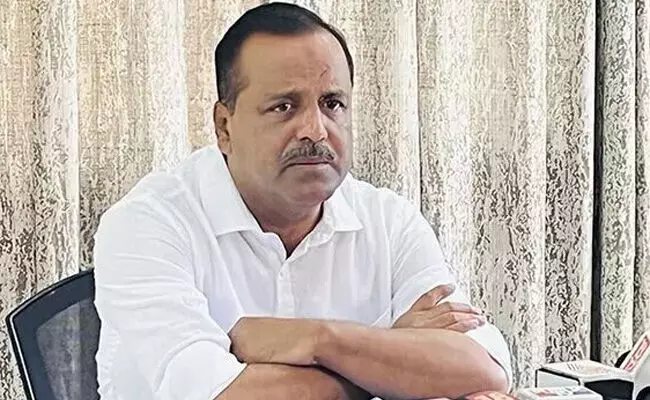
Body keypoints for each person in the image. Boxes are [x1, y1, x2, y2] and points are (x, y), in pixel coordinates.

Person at [93, 3, 512, 400]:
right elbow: (223, 395)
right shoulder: (147, 224)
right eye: (284, 107)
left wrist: (318, 339)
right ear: (224, 127)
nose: (315, 130)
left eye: (332, 104)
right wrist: (387, 361)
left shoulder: (389, 221)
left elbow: (485, 367)